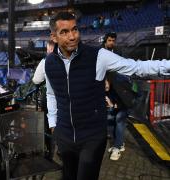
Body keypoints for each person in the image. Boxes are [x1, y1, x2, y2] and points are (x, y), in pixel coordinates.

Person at [45, 11, 170, 180]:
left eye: (74, 29)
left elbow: (136, 67)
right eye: (64, 32)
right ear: (54, 37)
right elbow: (52, 94)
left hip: (92, 138)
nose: (72, 36)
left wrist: (167, 65)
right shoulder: (48, 63)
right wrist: (53, 124)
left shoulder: (98, 56)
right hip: (65, 137)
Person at [103, 32, 128, 160]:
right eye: (109, 40)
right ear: (105, 41)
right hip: (110, 93)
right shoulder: (101, 53)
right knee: (112, 119)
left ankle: (117, 148)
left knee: (119, 120)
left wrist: (111, 81)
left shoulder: (119, 53)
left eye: (113, 40)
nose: (111, 42)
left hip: (121, 92)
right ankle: (119, 143)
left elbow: (123, 72)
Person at [32, 40, 55, 161]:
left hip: (51, 98)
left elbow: (36, 80)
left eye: (47, 49)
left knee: (48, 124)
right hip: (66, 98)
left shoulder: (45, 62)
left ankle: (49, 152)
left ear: (50, 49)